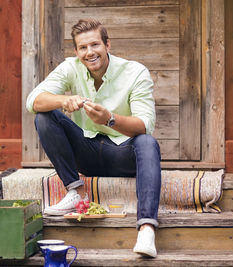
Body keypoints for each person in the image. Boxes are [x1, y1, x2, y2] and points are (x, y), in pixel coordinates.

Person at [26, 19, 161, 258]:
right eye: (83, 48)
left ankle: (147, 228)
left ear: (107, 45)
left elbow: (145, 125)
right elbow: (33, 100)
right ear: (76, 52)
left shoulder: (135, 71)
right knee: (44, 116)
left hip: (123, 155)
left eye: (95, 45)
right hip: (86, 153)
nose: (90, 52)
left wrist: (110, 119)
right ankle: (75, 192)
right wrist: (62, 100)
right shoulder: (71, 67)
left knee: (148, 142)